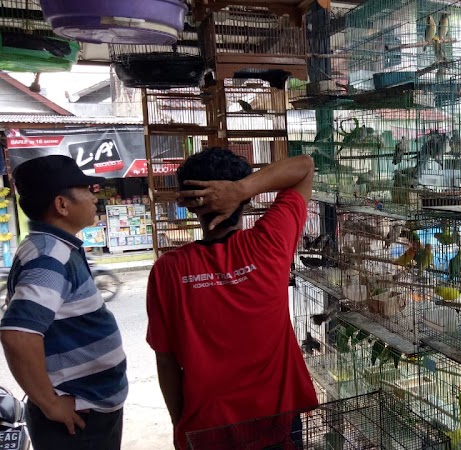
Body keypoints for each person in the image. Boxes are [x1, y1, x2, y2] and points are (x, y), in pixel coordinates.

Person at [146, 149, 317, 449]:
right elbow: (304, 167)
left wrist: (180, 425)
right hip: (274, 422)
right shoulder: (269, 243)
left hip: (207, 429)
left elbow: (166, 360)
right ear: (245, 199)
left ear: (189, 205)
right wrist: (240, 189)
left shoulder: (167, 271)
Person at [0, 155, 128, 450]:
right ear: (62, 204)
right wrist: (50, 404)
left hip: (90, 409)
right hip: (77, 420)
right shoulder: (49, 257)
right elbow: (18, 336)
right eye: (86, 190)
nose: (94, 197)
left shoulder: (52, 247)